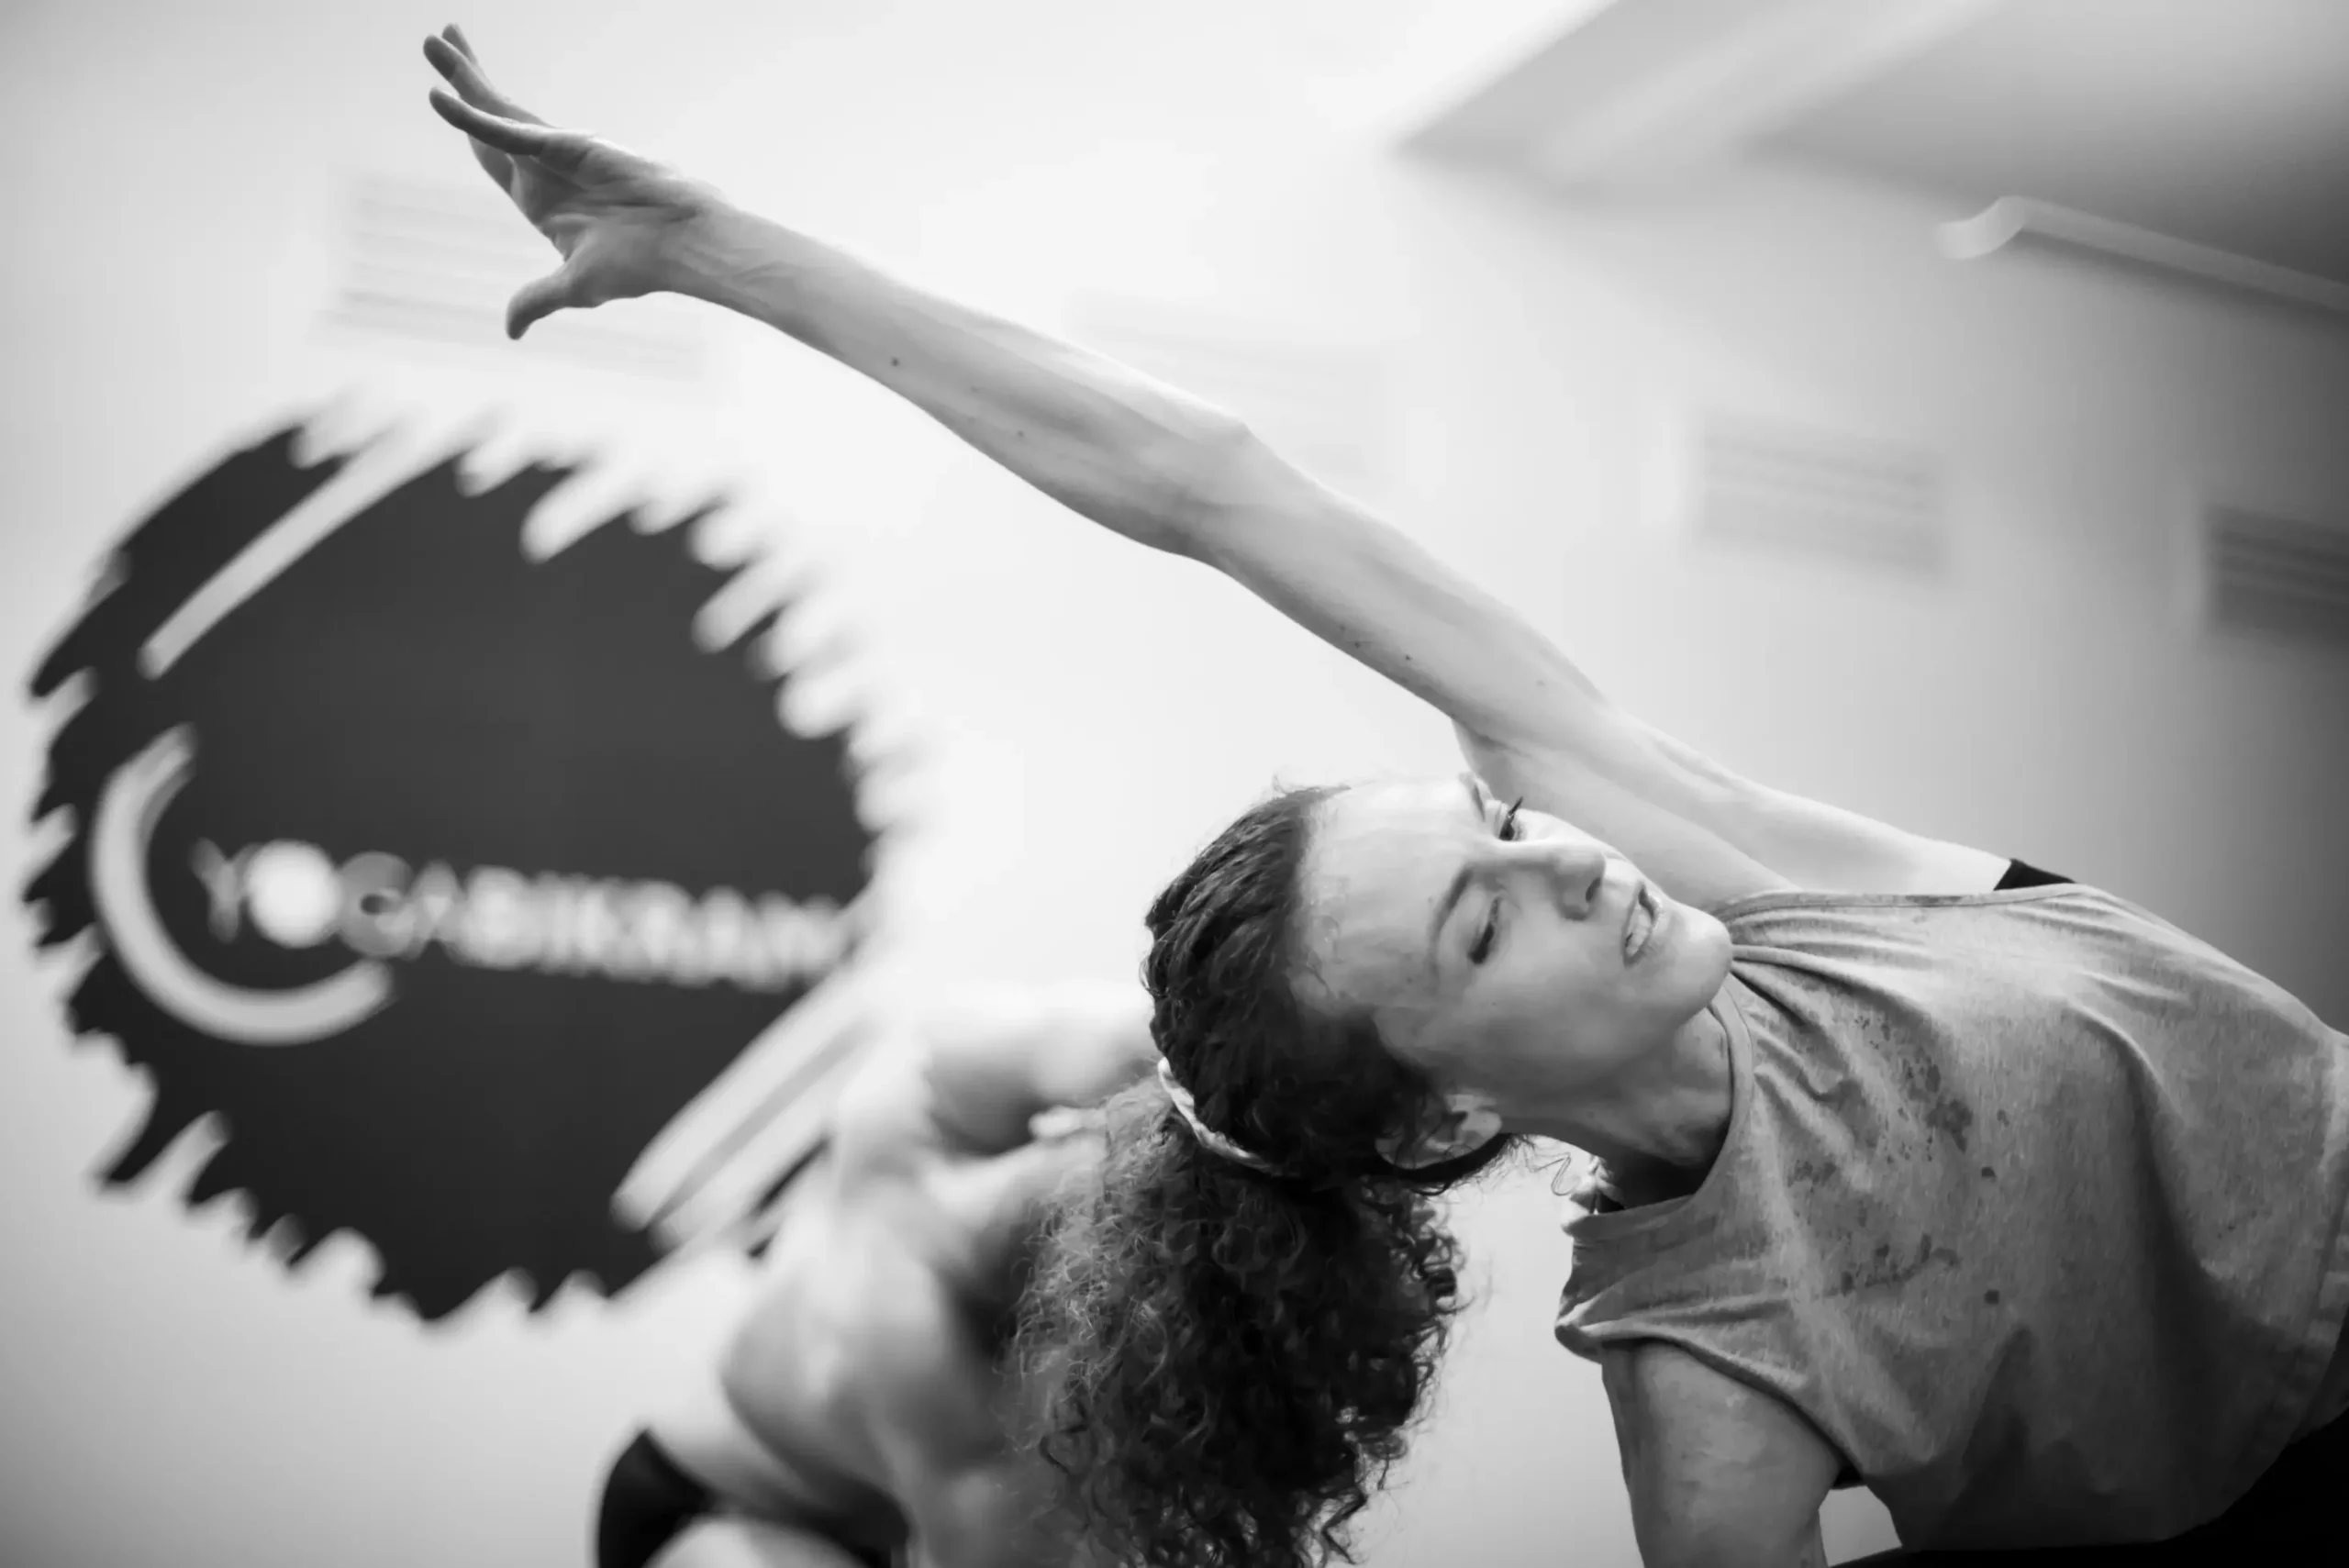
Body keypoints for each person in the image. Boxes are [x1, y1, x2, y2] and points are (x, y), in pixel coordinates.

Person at [420, 28, 2349, 1567]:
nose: (1566, 855)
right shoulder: (1713, 1388)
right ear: (1437, 1106)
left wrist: (716, 252)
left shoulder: (1738, 871)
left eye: (1501, 830)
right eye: (1482, 921)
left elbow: (1211, 483)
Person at [592, 981, 1156, 1568]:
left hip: (830, 1499)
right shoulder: (931, 1370)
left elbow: (1136, 1039)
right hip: (717, 1504)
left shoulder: (920, 1090)